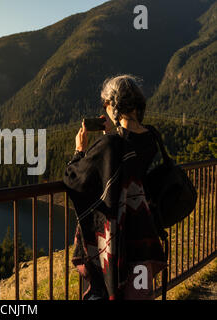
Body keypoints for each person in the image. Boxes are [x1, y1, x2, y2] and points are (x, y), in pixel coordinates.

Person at [63, 75, 167, 300]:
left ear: (112, 104)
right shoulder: (150, 137)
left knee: (110, 291)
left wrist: (79, 150)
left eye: (105, 104)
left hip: (116, 239)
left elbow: (74, 177)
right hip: (142, 234)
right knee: (138, 293)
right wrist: (112, 134)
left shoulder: (111, 144)